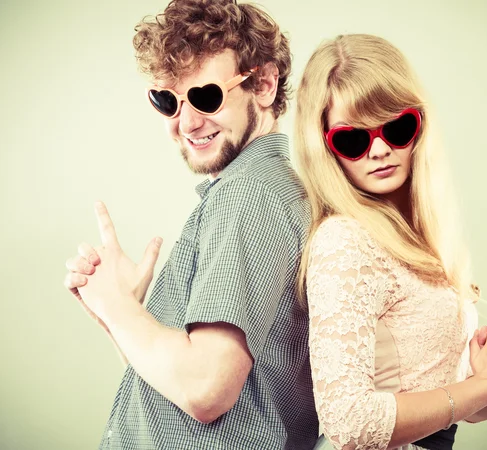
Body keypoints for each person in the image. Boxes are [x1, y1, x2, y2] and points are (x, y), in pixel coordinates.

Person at [62, 1, 319, 448]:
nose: (187, 122)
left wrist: (116, 308)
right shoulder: (258, 191)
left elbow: (206, 389)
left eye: (205, 96)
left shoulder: (250, 195)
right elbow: (183, 391)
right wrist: (130, 313)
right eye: (168, 101)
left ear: (263, 83)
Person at [293, 34, 487, 450]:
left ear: (419, 125)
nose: (378, 150)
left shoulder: (414, 236)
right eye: (352, 139)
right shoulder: (345, 240)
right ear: (325, 148)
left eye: (396, 128)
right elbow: (349, 422)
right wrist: (484, 386)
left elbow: (437, 407)